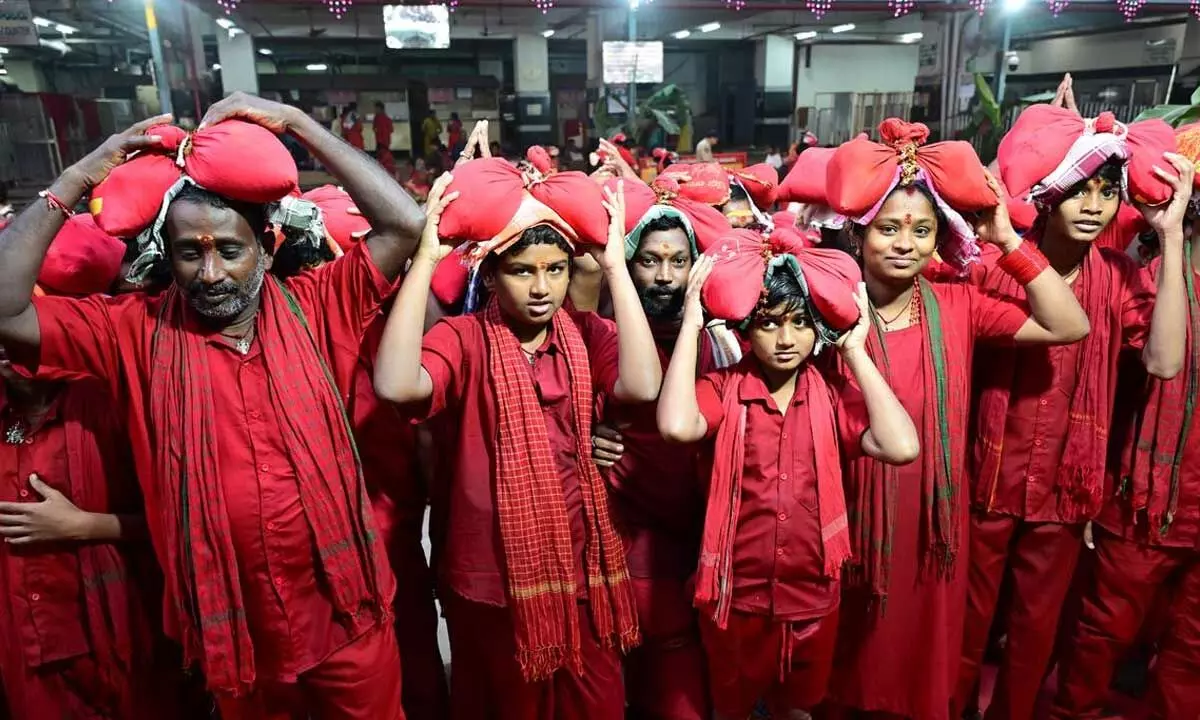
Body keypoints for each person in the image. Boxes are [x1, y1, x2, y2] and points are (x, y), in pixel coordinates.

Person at [0, 92, 428, 718]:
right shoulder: (133, 331)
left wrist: (299, 125)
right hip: (234, 633)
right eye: (189, 253)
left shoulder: (318, 305)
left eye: (230, 250)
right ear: (166, 257)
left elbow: (405, 226)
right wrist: (78, 176)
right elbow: (7, 309)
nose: (210, 273)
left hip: (344, 617)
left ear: (268, 246)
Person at [815, 120, 1089, 720]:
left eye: (922, 230)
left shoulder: (958, 304)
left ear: (940, 238)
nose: (905, 243)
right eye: (889, 228)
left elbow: (1069, 325)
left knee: (915, 680)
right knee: (839, 679)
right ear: (859, 234)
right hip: (850, 517)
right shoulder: (823, 310)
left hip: (931, 525)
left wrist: (1007, 242)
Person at [374, 172, 662, 718]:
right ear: (491, 272)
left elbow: (644, 386)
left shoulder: (587, 333)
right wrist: (428, 259)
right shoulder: (464, 340)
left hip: (585, 572)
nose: (540, 288)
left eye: (554, 269)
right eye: (522, 271)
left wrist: (616, 270)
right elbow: (395, 385)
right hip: (492, 581)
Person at [956, 105, 1192, 720]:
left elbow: (1165, 362)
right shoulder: (993, 267)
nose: (1093, 206)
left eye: (1107, 193)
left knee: (1034, 640)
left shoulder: (1118, 277)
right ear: (1049, 195)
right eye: (1079, 191)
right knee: (964, 633)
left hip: (1068, 484)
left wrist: (1168, 235)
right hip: (986, 477)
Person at [657, 229, 919, 720]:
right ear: (745, 331)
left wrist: (855, 351)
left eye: (800, 324)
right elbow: (675, 425)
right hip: (734, 597)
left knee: (797, 711)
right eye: (770, 324)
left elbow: (902, 446)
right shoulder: (722, 389)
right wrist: (692, 324)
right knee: (731, 709)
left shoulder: (832, 394)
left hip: (811, 599)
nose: (785, 340)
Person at [0, 218, 187, 720]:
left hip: (123, 636)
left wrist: (86, 526)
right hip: (28, 647)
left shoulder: (117, 400)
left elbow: (193, 522)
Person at [1049, 126, 1200, 720]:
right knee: (1101, 635)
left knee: (1192, 650)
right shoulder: (1151, 278)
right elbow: (1150, 369)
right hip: (1147, 496)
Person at [590, 206, 740, 720]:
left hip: (703, 525)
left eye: (678, 261)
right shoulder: (606, 335)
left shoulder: (724, 340)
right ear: (630, 267)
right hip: (627, 525)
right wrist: (587, 436)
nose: (664, 276)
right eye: (650, 261)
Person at [374, 101, 396, 175]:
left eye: (377, 108)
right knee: (384, 158)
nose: (375, 110)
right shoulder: (385, 118)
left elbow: (374, 128)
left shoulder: (378, 118)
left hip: (382, 142)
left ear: (381, 109)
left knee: (383, 158)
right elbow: (391, 130)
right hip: (384, 142)